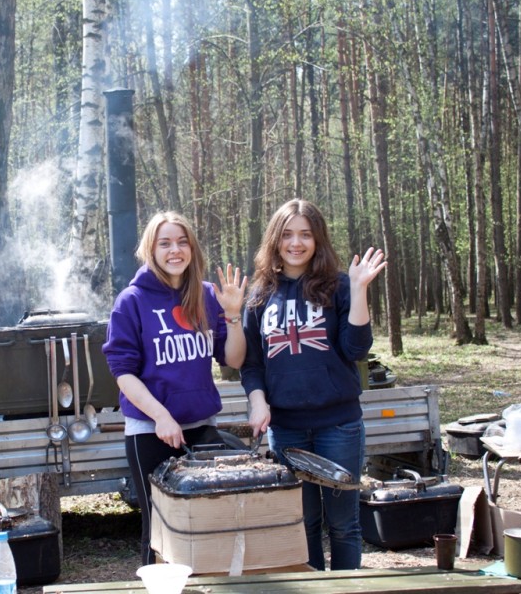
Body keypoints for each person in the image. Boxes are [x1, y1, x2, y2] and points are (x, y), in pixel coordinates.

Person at [241, 199, 386, 571]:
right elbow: (252, 365)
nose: (296, 243)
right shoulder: (259, 295)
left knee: (342, 524)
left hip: (338, 425)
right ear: (275, 240)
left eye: (305, 234)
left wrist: (359, 289)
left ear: (317, 239)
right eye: (287, 234)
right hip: (286, 430)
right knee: (301, 524)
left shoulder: (338, 285)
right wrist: (258, 403)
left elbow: (357, 348)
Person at [102, 211, 247, 565]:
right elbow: (123, 373)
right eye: (165, 243)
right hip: (151, 432)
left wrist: (232, 315)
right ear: (150, 250)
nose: (175, 250)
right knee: (159, 527)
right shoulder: (131, 301)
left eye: (182, 242)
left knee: (209, 522)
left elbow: (234, 359)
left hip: (201, 428)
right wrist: (161, 416)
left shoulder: (206, 296)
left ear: (192, 248)